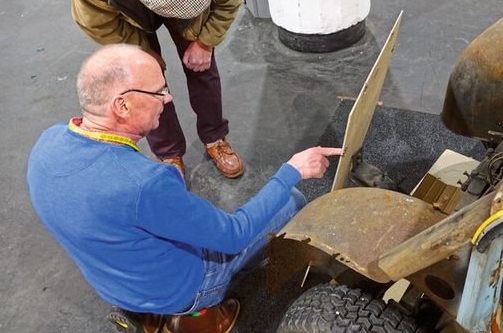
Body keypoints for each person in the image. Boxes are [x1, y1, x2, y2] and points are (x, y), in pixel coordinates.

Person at [27, 44, 341, 331]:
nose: (167, 98)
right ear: (121, 106)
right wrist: (291, 171)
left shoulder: (47, 142)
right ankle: (199, 312)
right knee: (291, 199)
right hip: (180, 289)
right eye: (157, 92)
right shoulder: (145, 184)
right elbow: (232, 235)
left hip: (112, 283)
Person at [68, 0, 246, 180]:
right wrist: (143, 53)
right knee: (144, 85)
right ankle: (168, 152)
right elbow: (96, 23)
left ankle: (214, 138)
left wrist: (205, 41)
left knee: (202, 65)